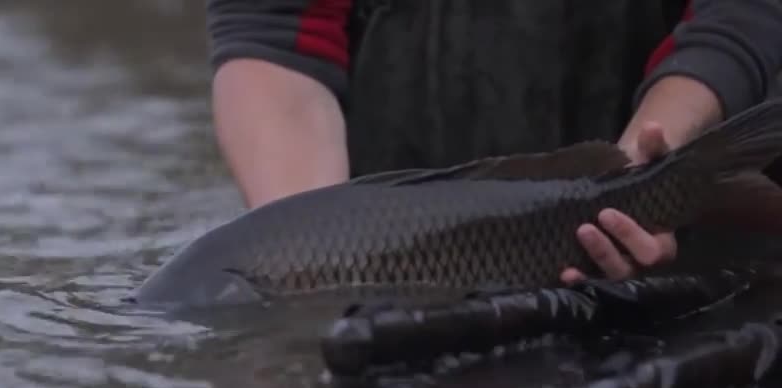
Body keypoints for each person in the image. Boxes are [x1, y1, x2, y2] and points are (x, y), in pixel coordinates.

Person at [204, 0, 782, 283]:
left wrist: (650, 173)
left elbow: (738, 16)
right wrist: (308, 255)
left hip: (689, 259)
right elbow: (277, 35)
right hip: (402, 260)